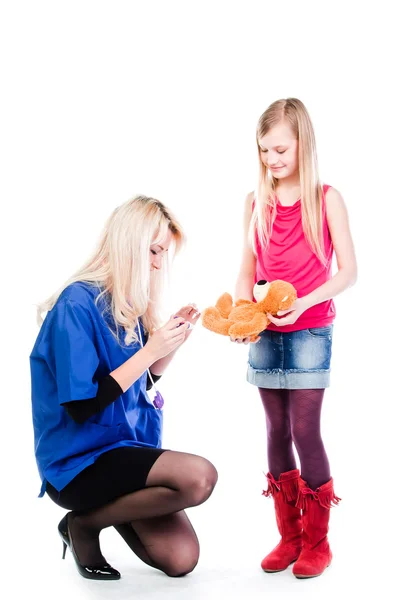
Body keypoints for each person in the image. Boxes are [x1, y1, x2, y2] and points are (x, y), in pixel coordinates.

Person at [30, 195, 218, 581]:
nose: (156, 262)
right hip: (77, 465)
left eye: (162, 254)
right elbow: (83, 406)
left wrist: (166, 349)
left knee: (181, 558)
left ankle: (85, 522)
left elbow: (139, 382)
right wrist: (151, 349)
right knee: (199, 477)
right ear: (128, 244)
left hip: (120, 450)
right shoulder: (76, 304)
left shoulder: (129, 304)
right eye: (153, 250)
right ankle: (84, 525)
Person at [232, 98, 357, 579]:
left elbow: (348, 271)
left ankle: (318, 542)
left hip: (310, 329)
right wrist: (245, 314)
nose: (272, 160)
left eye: (280, 149)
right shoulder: (254, 202)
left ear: (303, 143)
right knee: (275, 432)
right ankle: (289, 536)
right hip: (265, 332)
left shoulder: (326, 199)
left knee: (305, 430)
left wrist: (303, 303)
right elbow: (246, 272)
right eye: (264, 152)